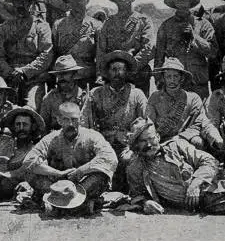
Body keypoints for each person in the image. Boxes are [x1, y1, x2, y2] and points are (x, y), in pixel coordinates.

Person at [19, 102, 117, 214]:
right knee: (29, 172)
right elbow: (28, 161)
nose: (71, 124)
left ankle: (58, 206)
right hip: (57, 186)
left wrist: (81, 170)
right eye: (66, 119)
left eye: (74, 119)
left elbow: (110, 158)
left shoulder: (92, 136)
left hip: (84, 184)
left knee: (102, 175)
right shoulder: (51, 139)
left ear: (80, 119)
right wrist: (58, 173)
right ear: (59, 120)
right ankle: (81, 206)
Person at [81, 50, 147, 192]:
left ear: (127, 72)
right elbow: (84, 123)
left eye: (122, 69)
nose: (118, 73)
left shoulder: (137, 94)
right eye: (114, 69)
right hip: (102, 144)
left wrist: (131, 139)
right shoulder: (95, 94)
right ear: (107, 72)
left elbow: (145, 124)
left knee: (130, 160)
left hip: (127, 146)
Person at [154, 0, 218, 99]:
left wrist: (194, 36)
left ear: (190, 2)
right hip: (174, 85)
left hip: (198, 84)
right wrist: (159, 81)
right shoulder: (166, 26)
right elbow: (158, 58)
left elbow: (213, 52)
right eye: (178, 0)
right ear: (174, 3)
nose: (182, 3)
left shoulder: (203, 24)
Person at [0, 0, 53, 110]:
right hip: (9, 79)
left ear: (31, 4)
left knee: (31, 108)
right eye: (17, 3)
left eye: (25, 3)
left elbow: (46, 55)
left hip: (33, 79)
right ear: (13, 4)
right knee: (3, 111)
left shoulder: (42, 27)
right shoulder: (5, 28)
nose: (21, 6)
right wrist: (10, 72)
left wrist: (24, 71)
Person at [147, 57, 222, 150]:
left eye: (175, 76)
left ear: (181, 78)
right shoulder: (155, 97)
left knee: (198, 142)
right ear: (163, 78)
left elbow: (199, 123)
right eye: (168, 76)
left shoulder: (193, 98)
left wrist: (181, 137)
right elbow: (149, 123)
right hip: (161, 141)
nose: (172, 80)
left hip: (185, 138)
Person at [98, 0, 155, 94]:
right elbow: (101, 50)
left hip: (137, 70)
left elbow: (149, 48)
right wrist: (102, 73)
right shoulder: (108, 23)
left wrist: (131, 66)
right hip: (113, 71)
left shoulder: (143, 21)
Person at [51, 0, 102, 87]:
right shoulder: (58, 25)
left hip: (87, 77)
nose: (77, 3)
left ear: (87, 1)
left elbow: (100, 54)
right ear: (68, 3)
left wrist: (99, 76)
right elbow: (53, 53)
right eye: (73, 0)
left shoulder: (96, 25)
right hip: (64, 78)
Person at [37, 55, 87, 133]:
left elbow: (87, 126)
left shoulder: (84, 98)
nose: (61, 77)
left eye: (65, 73)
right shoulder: (49, 98)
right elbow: (43, 127)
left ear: (74, 74)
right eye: (59, 74)